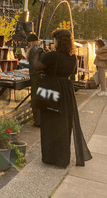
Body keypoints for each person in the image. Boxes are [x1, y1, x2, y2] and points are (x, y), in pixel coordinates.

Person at [33, 29, 92, 168]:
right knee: (63, 124)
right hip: (66, 92)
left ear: (59, 41)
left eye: (55, 40)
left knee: (49, 122)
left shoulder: (52, 56)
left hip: (50, 90)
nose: (54, 42)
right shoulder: (73, 57)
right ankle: (62, 158)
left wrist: (38, 54)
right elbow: (74, 71)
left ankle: (49, 157)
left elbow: (36, 67)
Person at [26, 33, 41, 127]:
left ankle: (37, 121)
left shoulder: (32, 51)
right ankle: (38, 120)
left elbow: (33, 64)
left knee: (34, 97)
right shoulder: (37, 50)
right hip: (38, 76)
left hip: (34, 76)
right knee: (37, 96)